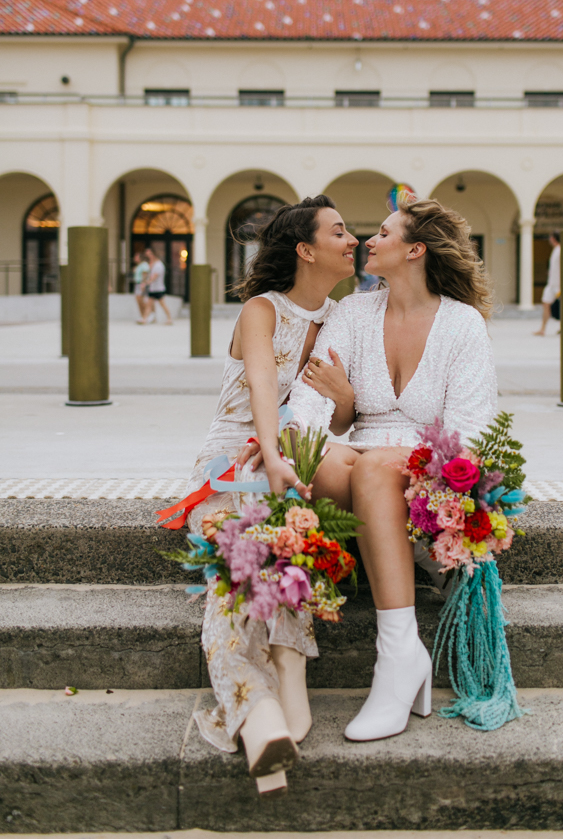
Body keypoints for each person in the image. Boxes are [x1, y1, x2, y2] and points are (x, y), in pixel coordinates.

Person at [282, 198, 498, 743]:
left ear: (415, 250)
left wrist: (410, 466)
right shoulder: (351, 313)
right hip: (358, 469)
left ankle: (398, 657)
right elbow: (309, 400)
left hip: (427, 480)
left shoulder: (462, 325)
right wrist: (295, 451)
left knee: (375, 466)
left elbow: (468, 437)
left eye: (382, 234)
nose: (367, 242)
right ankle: (403, 651)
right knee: (321, 459)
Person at [166, 196, 358, 797]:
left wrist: (345, 397)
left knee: (287, 548)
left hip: (292, 460)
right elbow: (261, 382)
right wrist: (270, 455)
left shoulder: (341, 318)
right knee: (237, 566)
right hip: (231, 465)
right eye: (340, 230)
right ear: (305, 249)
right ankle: (257, 716)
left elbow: (345, 417)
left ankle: (288, 675)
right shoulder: (260, 310)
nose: (353, 239)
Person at [534, 232, 561, 336]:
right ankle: (542, 329)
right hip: (551, 284)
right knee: (546, 304)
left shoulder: (561, 250)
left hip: (559, 285)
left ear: (553, 238)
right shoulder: (555, 250)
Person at [141, 247, 173, 325]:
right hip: (153, 288)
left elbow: (154, 277)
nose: (148, 256)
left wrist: (146, 283)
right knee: (149, 304)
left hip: (158, 288)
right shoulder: (152, 264)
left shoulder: (159, 265)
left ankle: (169, 318)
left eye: (149, 254)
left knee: (162, 304)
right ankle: (145, 319)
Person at [132, 252, 150, 321]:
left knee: (142, 301)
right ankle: (143, 316)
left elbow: (145, 275)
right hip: (137, 283)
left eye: (136, 257)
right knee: (138, 300)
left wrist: (143, 284)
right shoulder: (139, 265)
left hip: (141, 284)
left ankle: (146, 316)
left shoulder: (144, 265)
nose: (134, 258)